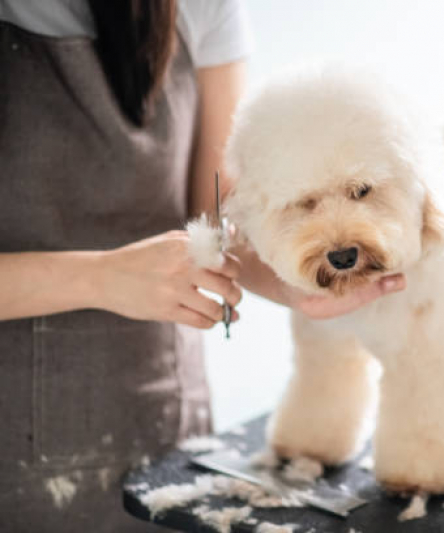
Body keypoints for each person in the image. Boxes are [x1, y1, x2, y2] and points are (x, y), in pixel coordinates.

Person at [0, 1, 405, 530]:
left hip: (163, 415)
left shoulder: (202, 5)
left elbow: (218, 213)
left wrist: (293, 281)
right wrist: (101, 277)